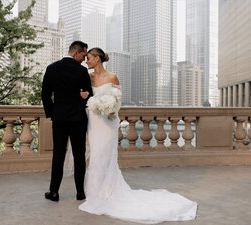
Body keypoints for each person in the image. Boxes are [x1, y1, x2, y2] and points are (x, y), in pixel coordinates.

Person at [78, 47, 198, 224]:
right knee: (95, 155)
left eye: (88, 58)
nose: (86, 61)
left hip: (108, 122)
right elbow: (83, 94)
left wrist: (111, 110)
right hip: (94, 122)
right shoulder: (88, 77)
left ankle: (106, 192)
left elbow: (117, 99)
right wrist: (84, 97)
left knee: (104, 155)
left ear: (97, 58)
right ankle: (95, 193)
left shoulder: (112, 77)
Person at [41, 40, 93, 202]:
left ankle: (54, 192)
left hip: (59, 118)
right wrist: (82, 98)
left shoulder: (52, 68)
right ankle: (80, 192)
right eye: (84, 54)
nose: (84, 58)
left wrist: (52, 113)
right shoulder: (82, 71)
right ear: (76, 52)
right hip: (78, 118)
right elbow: (89, 95)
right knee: (79, 155)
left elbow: (45, 95)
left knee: (58, 154)